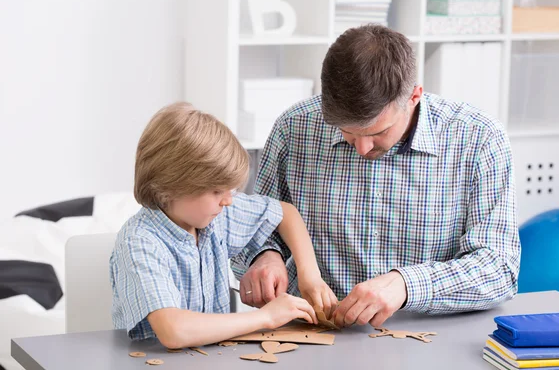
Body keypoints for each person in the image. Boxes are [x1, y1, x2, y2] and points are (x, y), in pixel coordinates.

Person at [232, 24, 521, 328]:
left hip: (424, 335)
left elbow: (498, 270)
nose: (361, 147)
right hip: (310, 335)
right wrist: (263, 257)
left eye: (378, 132)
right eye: (346, 132)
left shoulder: (479, 138)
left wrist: (406, 285)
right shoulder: (294, 128)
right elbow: (251, 230)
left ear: (414, 97)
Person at [110, 102, 337, 348]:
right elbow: (173, 330)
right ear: (171, 187)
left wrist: (310, 276)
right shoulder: (140, 241)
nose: (228, 200)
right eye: (217, 190)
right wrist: (267, 317)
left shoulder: (216, 216)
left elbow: (286, 213)